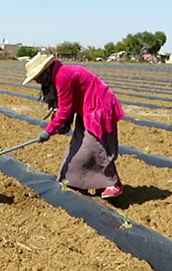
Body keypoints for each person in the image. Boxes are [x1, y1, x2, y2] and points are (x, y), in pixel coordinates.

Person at [22, 54, 125, 198]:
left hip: (99, 108)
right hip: (85, 110)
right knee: (76, 148)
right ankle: (72, 182)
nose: (38, 81)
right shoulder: (58, 75)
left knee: (93, 146)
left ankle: (113, 183)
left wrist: (48, 131)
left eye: (38, 77)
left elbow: (64, 110)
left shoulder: (62, 76)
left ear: (45, 71)